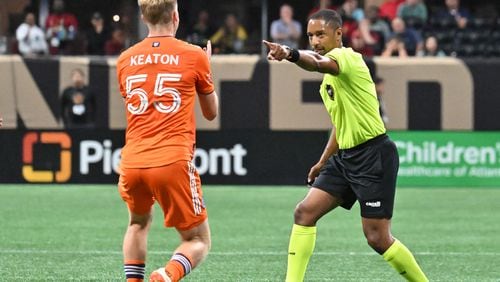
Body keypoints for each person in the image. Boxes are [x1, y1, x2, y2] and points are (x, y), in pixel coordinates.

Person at [263, 9, 428, 282]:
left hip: (373, 155)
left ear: (338, 34)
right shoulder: (328, 82)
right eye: (310, 36)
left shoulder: (346, 58)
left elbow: (316, 62)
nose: (315, 41)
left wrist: (290, 53)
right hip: (345, 158)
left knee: (377, 238)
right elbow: (341, 125)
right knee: (304, 212)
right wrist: (323, 160)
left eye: (320, 35)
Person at [116, 0, 218, 281]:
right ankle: (166, 276)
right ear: (175, 16)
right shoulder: (194, 55)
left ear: (142, 16)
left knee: (137, 223)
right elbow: (211, 113)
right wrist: (207, 68)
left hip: (132, 160)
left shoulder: (125, 58)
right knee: (198, 240)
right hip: (171, 159)